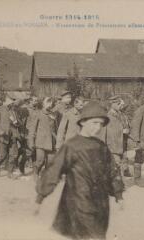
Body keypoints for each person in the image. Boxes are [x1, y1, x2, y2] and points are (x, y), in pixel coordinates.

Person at [34, 101, 124, 240]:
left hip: (100, 203)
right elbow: (54, 171)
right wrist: (40, 197)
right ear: (83, 122)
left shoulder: (101, 146)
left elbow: (112, 171)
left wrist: (118, 195)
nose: (98, 127)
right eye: (94, 123)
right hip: (78, 201)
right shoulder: (71, 146)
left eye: (101, 124)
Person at [101, 96, 132, 178]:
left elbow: (127, 125)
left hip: (122, 143)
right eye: (119, 104)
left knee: (122, 162)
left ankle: (118, 183)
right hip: (113, 145)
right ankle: (116, 185)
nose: (120, 106)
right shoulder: (107, 117)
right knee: (116, 165)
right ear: (113, 104)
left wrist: (127, 130)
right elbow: (105, 132)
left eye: (120, 104)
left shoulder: (121, 115)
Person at [0, 93, 21, 177]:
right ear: (5, 101)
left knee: (14, 154)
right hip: (3, 136)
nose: (13, 102)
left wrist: (17, 123)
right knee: (2, 155)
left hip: (13, 136)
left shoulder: (13, 110)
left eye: (13, 100)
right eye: (11, 100)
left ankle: (10, 172)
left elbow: (18, 122)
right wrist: (0, 131)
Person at [28, 97, 57, 179]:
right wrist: (31, 141)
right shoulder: (38, 114)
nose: (50, 104)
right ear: (43, 104)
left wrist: (57, 140)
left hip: (51, 141)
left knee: (50, 161)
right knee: (40, 161)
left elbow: (56, 128)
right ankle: (36, 172)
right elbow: (32, 129)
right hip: (41, 141)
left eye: (51, 102)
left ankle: (45, 176)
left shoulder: (53, 114)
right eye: (48, 102)